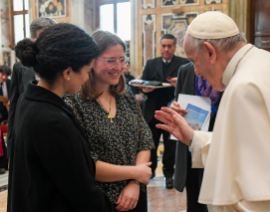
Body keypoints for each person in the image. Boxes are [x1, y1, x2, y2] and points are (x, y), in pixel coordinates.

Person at [154, 12, 270, 211]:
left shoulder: (244, 87)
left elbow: (263, 196)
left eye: (194, 60)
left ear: (210, 52)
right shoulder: (266, 61)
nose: (196, 72)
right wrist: (194, 138)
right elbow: (251, 148)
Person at [8, 23, 114, 212]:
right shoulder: (52, 120)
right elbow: (81, 191)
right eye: (87, 71)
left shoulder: (30, 98)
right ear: (67, 73)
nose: (87, 78)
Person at [64, 30, 154, 212]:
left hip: (135, 195)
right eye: (111, 60)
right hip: (99, 199)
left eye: (122, 59)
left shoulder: (125, 95)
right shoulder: (73, 101)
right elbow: (85, 163)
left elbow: (144, 140)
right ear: (91, 61)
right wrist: (136, 173)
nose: (119, 67)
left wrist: (135, 183)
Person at [172, 62, 222, 212]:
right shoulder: (186, 70)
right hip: (191, 144)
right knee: (194, 198)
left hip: (217, 143)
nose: (195, 67)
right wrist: (174, 107)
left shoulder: (226, 71)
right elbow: (177, 100)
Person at [141, 34, 188, 188]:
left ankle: (169, 174)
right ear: (159, 47)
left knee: (170, 147)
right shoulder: (151, 63)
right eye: (163, 46)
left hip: (171, 112)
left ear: (175, 47)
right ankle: (151, 172)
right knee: (151, 144)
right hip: (152, 112)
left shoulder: (183, 64)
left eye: (169, 46)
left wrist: (179, 84)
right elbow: (143, 84)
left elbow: (188, 87)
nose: (166, 49)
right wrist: (146, 89)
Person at [7, 17, 57, 158]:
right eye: (42, 39)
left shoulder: (63, 67)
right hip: (27, 141)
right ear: (33, 39)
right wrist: (11, 151)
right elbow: (14, 111)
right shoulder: (20, 68)